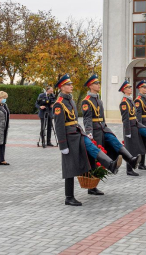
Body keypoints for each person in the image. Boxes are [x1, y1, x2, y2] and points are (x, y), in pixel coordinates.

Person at [54, 74, 121, 205]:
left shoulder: (70, 100)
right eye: (68, 84)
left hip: (78, 133)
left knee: (92, 148)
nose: (71, 86)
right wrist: (63, 146)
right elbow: (59, 127)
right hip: (69, 138)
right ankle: (69, 197)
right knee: (70, 166)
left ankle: (110, 165)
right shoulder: (59, 104)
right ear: (62, 87)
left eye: (71, 84)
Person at [82, 74, 141, 181]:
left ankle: (131, 160)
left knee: (114, 141)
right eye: (96, 83)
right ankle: (92, 185)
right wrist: (89, 132)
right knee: (95, 157)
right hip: (95, 130)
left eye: (98, 83)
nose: (98, 85)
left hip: (103, 128)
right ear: (90, 86)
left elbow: (102, 117)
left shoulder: (99, 100)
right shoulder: (87, 101)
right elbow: (87, 119)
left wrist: (105, 127)